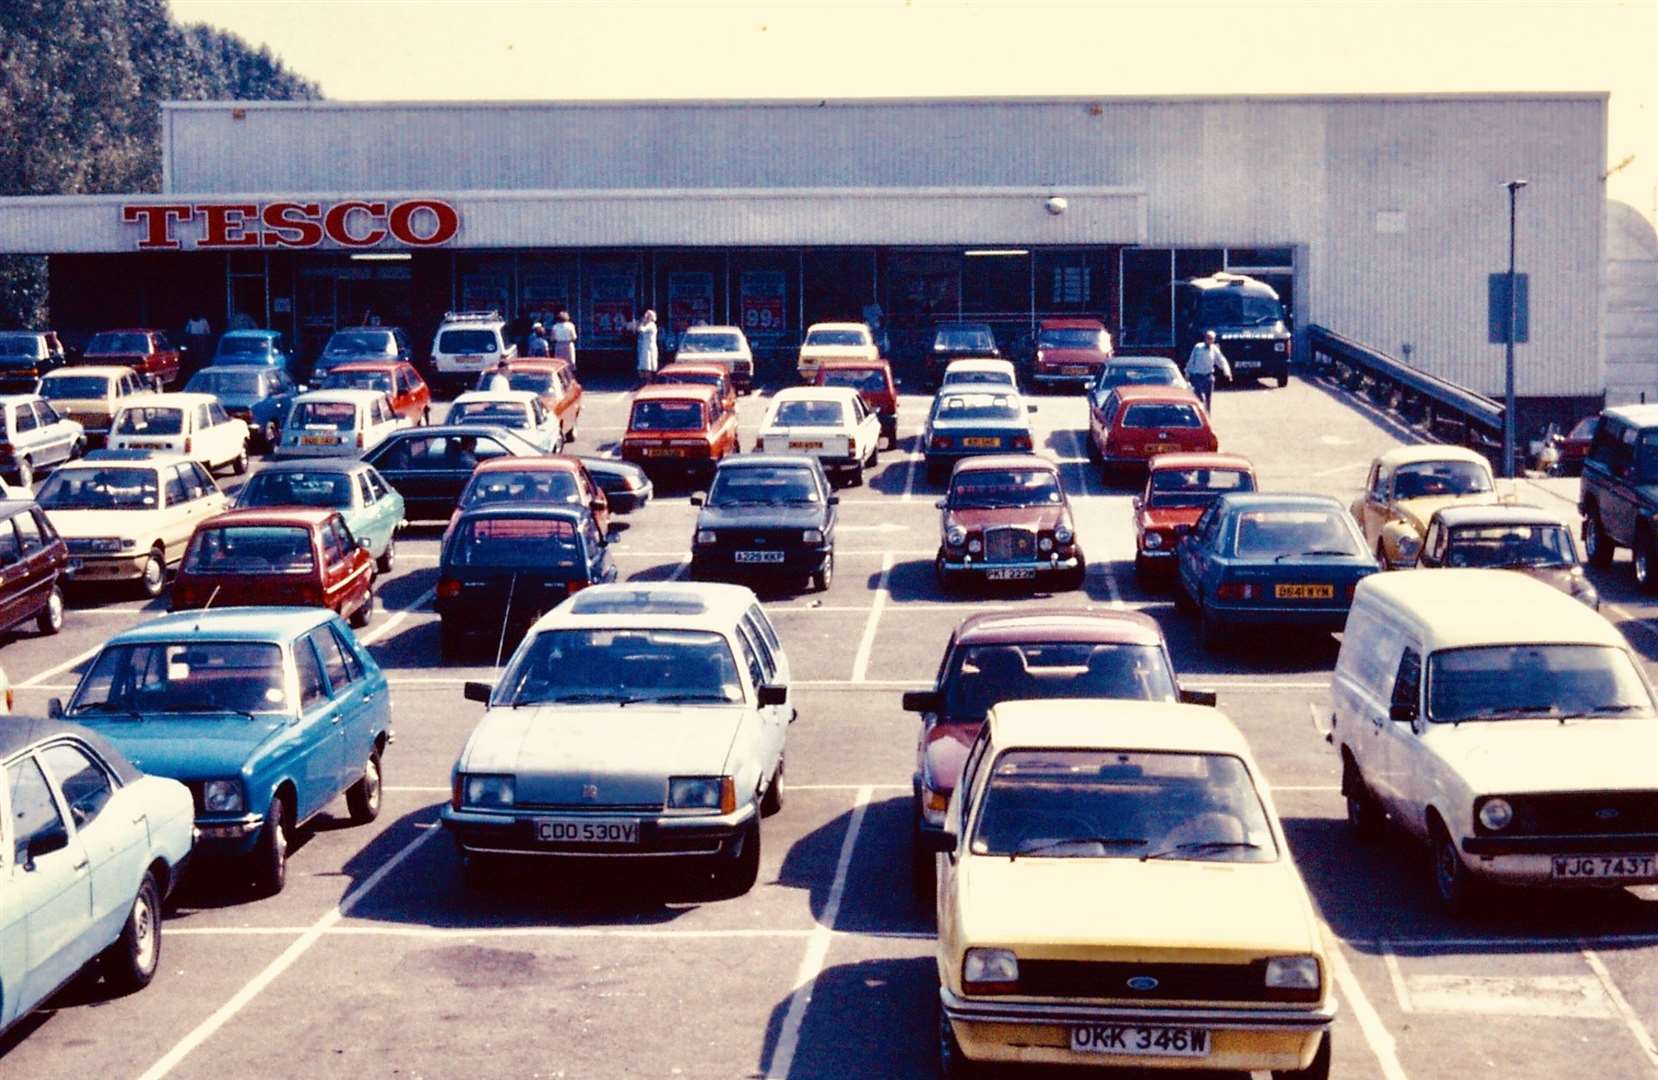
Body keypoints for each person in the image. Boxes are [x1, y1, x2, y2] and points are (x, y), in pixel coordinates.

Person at [1184, 330, 1231, 412]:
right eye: (1208, 338)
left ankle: (1207, 417)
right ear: (1205, 338)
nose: (1209, 340)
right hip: (1197, 376)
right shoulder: (1198, 347)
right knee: (1199, 398)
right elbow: (1191, 361)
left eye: (1212, 338)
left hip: (1209, 377)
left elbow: (1221, 360)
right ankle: (1199, 414)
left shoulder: (1214, 349)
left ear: (1214, 340)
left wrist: (1226, 372)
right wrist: (1187, 374)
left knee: (1208, 399)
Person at [635, 309, 659, 385]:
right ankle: (645, 381)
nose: (645, 317)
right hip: (644, 347)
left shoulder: (651, 325)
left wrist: (642, 322)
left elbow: (641, 330)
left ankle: (648, 382)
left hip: (649, 348)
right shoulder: (648, 324)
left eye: (647, 316)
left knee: (648, 365)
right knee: (643, 365)